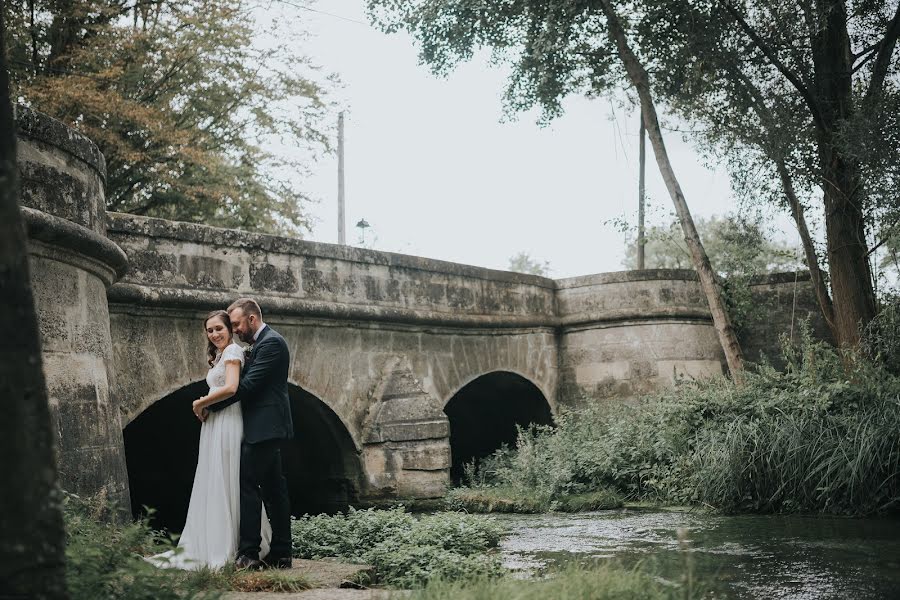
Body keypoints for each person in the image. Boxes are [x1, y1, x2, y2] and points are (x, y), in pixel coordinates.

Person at [148, 310, 271, 570]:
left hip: (228, 421)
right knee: (213, 478)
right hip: (215, 423)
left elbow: (231, 388)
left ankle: (228, 545)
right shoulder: (219, 356)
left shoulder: (233, 353)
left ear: (229, 329)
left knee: (225, 478)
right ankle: (211, 540)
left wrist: (199, 403)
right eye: (210, 330)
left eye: (219, 328)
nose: (214, 334)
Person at [205, 298, 294, 570]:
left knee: (248, 486)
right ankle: (280, 553)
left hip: (265, 428)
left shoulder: (272, 343)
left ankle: (249, 553)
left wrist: (208, 404)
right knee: (273, 489)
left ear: (252, 319)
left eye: (236, 324)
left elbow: (249, 385)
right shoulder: (259, 344)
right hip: (264, 426)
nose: (235, 330)